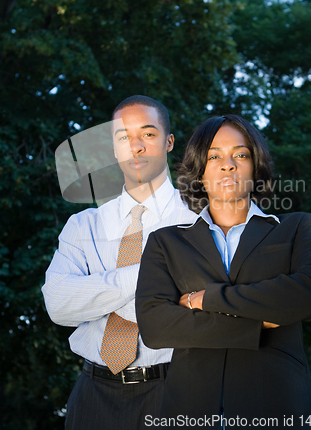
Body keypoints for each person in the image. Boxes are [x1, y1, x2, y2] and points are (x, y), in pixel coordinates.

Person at [136, 115, 311, 430]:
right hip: (189, 411)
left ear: (255, 166)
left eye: (240, 155)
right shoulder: (165, 242)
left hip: (280, 408)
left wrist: (208, 298)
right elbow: (156, 327)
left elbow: (309, 295)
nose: (228, 165)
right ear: (199, 171)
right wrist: (257, 325)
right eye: (214, 156)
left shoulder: (296, 227)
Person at [41, 95, 197, 430]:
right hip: (92, 395)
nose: (135, 146)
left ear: (169, 142)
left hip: (178, 392)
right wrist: (150, 276)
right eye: (123, 137)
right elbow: (58, 304)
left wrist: (95, 293)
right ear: (114, 148)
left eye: (148, 134)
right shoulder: (83, 225)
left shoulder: (199, 223)